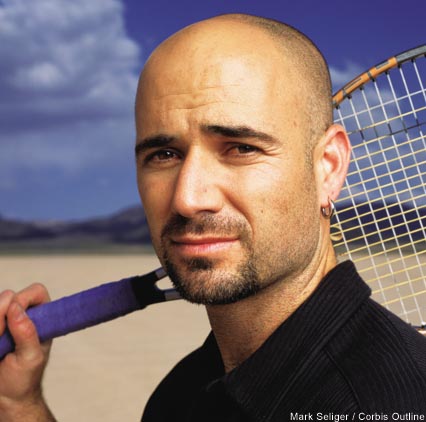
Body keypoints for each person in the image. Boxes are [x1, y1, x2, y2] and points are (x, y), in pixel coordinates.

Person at [0, 13, 425, 422]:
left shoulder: (385, 404)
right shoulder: (184, 390)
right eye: (163, 155)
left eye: (240, 148)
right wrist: (19, 405)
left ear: (328, 167)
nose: (187, 198)